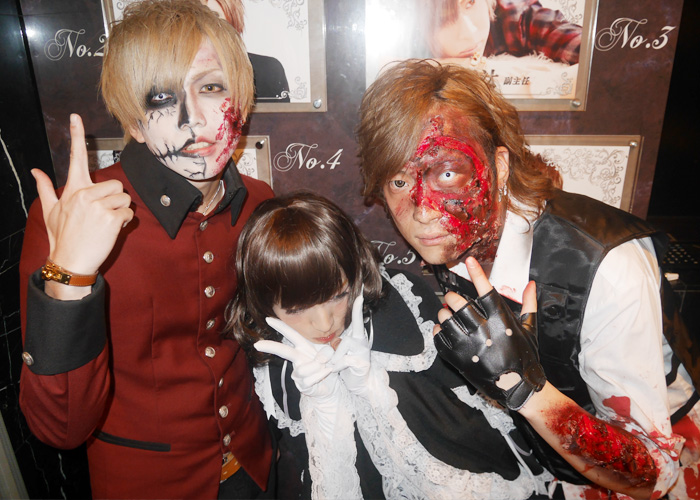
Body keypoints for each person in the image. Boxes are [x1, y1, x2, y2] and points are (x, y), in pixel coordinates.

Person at [356, 59, 700, 499]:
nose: (422, 212)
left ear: (499, 167)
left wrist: (527, 391)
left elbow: (650, 476)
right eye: (399, 181)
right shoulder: (454, 236)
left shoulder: (608, 269)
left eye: (447, 173)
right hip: (532, 462)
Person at [19, 1, 275, 498]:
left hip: (256, 467)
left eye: (211, 87)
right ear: (135, 123)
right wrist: (70, 274)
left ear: (240, 99)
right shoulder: (73, 218)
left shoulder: (259, 202)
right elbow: (60, 428)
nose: (192, 119)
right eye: (161, 97)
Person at [225, 192, 554, 499]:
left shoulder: (403, 304)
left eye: (339, 295)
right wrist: (324, 408)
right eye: (297, 310)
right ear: (265, 305)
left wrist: (376, 387)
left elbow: (468, 417)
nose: (324, 324)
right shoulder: (274, 362)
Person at [415, 0, 581, 67]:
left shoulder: (514, 17)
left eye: (470, 3)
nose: (470, 33)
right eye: (443, 19)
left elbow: (585, 50)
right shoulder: (409, 40)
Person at [199, 0, 291, 102]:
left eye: (214, 16)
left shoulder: (268, 70)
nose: (204, 25)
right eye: (197, 16)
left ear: (232, 21)